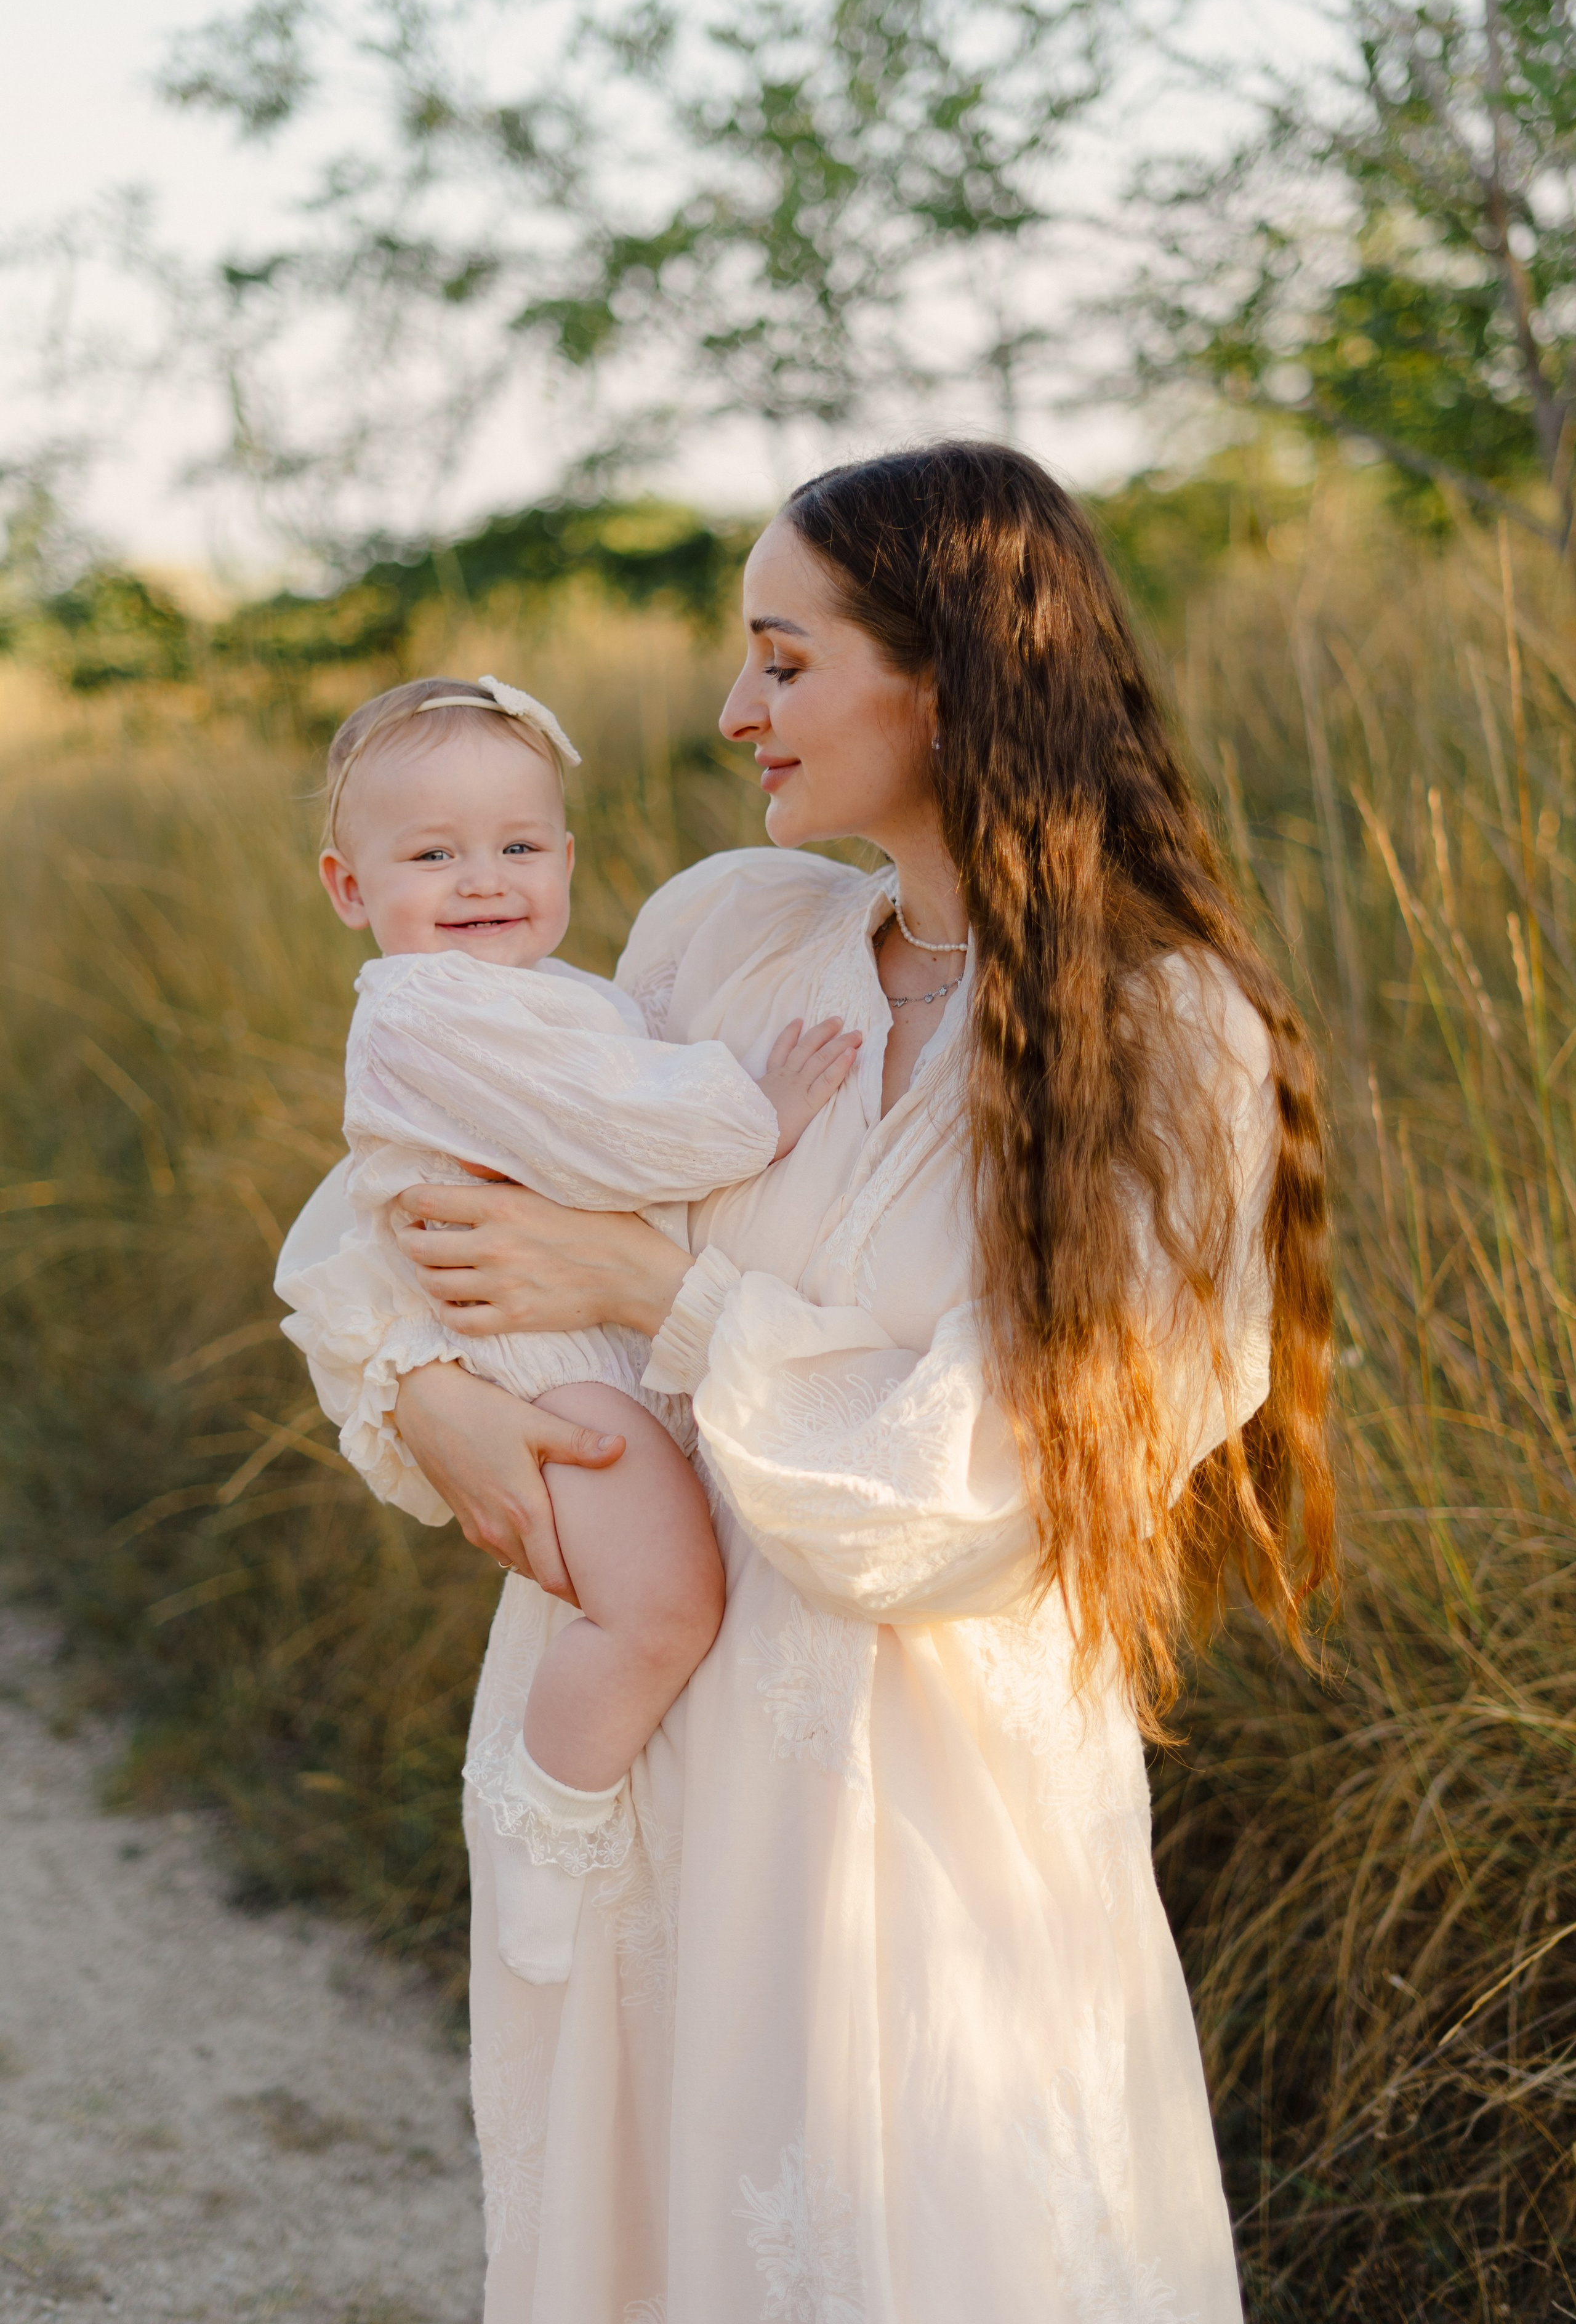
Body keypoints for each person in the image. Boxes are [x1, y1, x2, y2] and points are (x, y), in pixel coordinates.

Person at [277, 441, 1334, 2323]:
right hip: (646, 1787)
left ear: (945, 673)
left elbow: (987, 1491)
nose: (728, 706)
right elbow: (412, 1182)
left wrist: (662, 1298)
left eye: (781, 658)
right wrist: (420, 1384)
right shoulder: (727, 933)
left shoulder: (1160, 1037)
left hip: (905, 1829)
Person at [281, 671, 859, 1983]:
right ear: (349, 888)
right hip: (543, 1365)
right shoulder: (429, 1010)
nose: (483, 878)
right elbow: (610, 1130)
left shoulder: (535, 992)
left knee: (657, 1598)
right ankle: (543, 1816)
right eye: (432, 855)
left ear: (565, 857)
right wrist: (755, 1112)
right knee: (658, 1610)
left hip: (585, 1341)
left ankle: (569, 1803)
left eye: (517, 846)